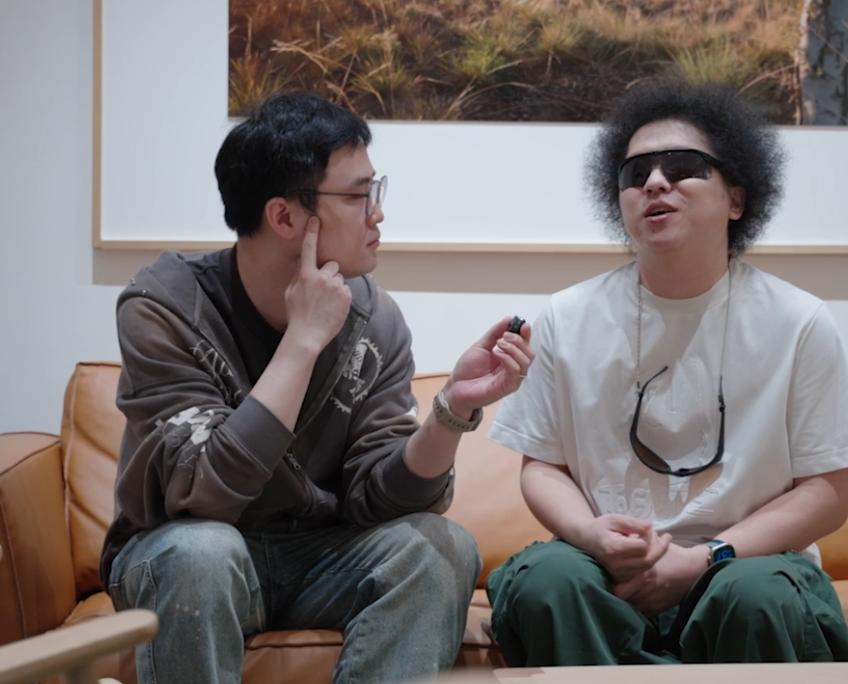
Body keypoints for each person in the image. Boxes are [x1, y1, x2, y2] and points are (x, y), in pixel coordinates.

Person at [100, 91, 533, 684]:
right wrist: (302, 341)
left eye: (375, 192)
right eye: (358, 196)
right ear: (284, 218)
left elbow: (380, 498)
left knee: (441, 546)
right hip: (181, 554)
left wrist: (451, 412)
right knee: (203, 553)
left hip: (320, 559)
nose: (377, 215)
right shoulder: (165, 307)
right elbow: (203, 496)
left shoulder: (374, 319)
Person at [485, 79, 848, 666]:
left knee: (758, 596)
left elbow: (827, 493)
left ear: (736, 199)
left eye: (682, 167)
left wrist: (706, 558)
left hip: (742, 566)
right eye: (635, 173)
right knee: (548, 579)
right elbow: (542, 466)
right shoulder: (568, 316)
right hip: (605, 573)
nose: (654, 182)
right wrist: (592, 536)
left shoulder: (798, 320)